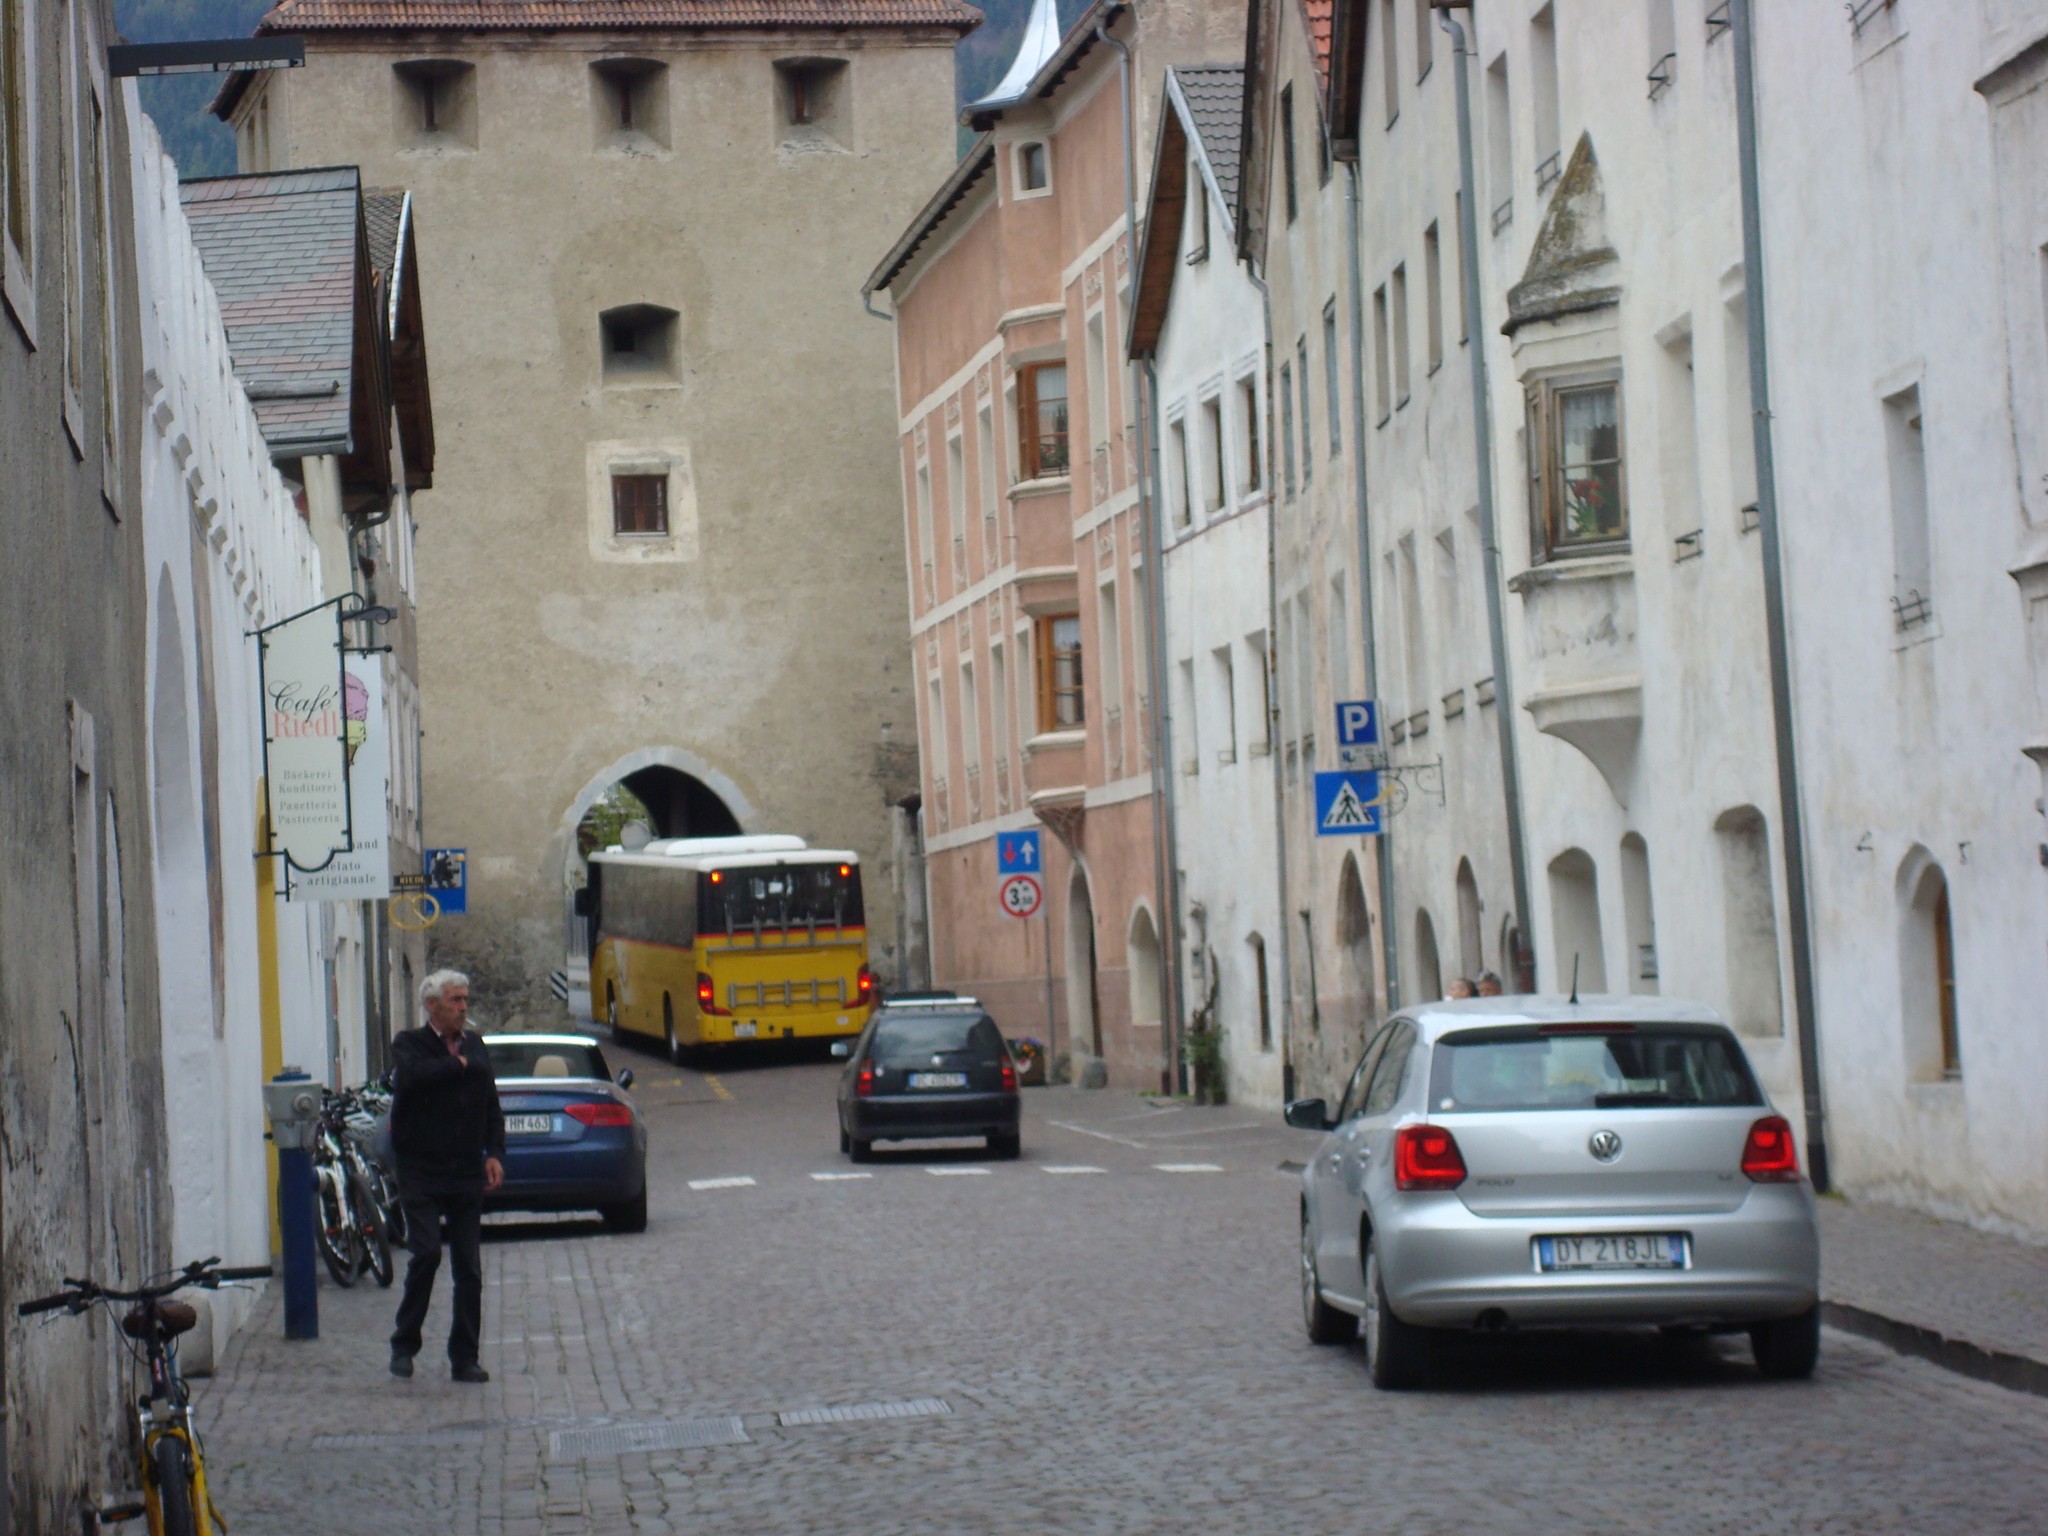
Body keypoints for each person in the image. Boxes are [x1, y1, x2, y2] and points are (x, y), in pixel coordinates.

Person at [387, 969, 504, 1383]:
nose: (463, 1008)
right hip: (419, 1169)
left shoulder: (475, 1046)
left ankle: (465, 1356)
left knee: (468, 1267)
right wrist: (457, 1065)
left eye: (465, 1000)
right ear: (432, 1005)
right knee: (426, 1254)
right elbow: (414, 1078)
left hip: (465, 1171)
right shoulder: (409, 1044)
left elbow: (490, 1101)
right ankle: (404, 1343)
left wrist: (495, 1152)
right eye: (455, 1001)